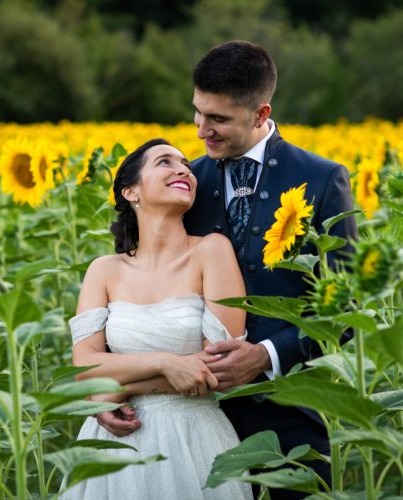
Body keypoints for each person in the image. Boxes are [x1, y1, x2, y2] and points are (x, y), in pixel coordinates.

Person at [95, 41, 358, 498]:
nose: (201, 131)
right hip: (188, 416)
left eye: (217, 119)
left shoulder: (320, 179)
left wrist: (268, 354)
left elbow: (343, 309)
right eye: (198, 112)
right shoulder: (184, 182)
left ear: (260, 114)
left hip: (288, 417)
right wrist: (109, 389)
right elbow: (141, 291)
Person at [62, 139, 253, 499]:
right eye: (165, 162)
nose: (183, 170)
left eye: (186, 165)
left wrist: (119, 386)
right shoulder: (103, 270)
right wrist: (166, 363)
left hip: (194, 438)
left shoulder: (212, 250)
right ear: (130, 190)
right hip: (112, 447)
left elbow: (221, 364)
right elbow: (84, 367)